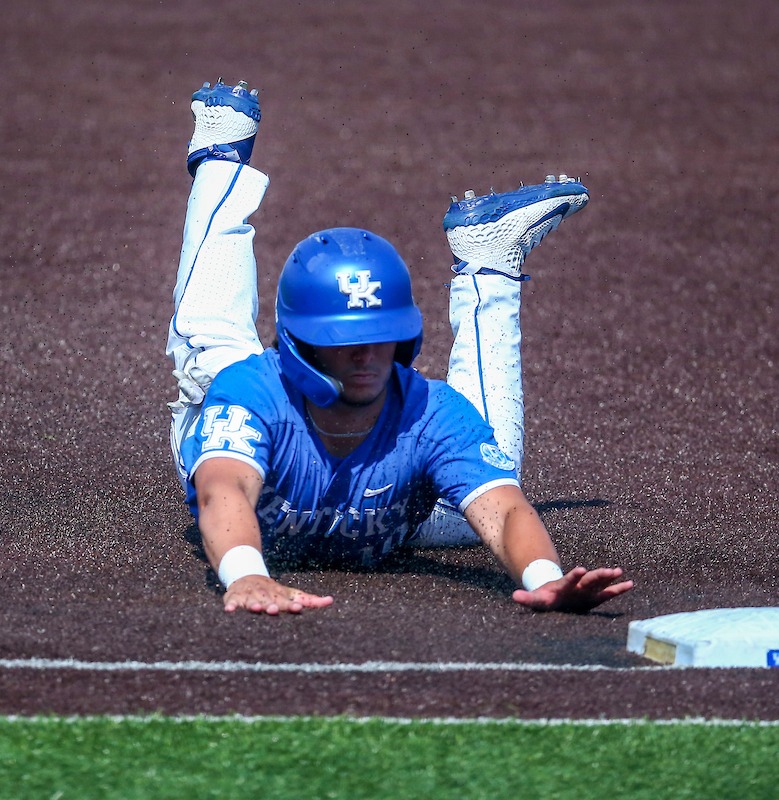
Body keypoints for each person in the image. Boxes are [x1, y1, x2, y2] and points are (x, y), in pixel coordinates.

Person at [166, 79, 633, 615]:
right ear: (302, 344)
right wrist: (245, 575)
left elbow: (504, 511)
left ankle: (489, 262)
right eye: (344, 343)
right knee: (208, 350)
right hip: (239, 428)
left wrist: (546, 578)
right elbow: (222, 491)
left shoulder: (430, 412)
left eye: (378, 337)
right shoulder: (251, 394)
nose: (367, 357)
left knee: (487, 483)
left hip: (385, 511)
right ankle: (220, 159)